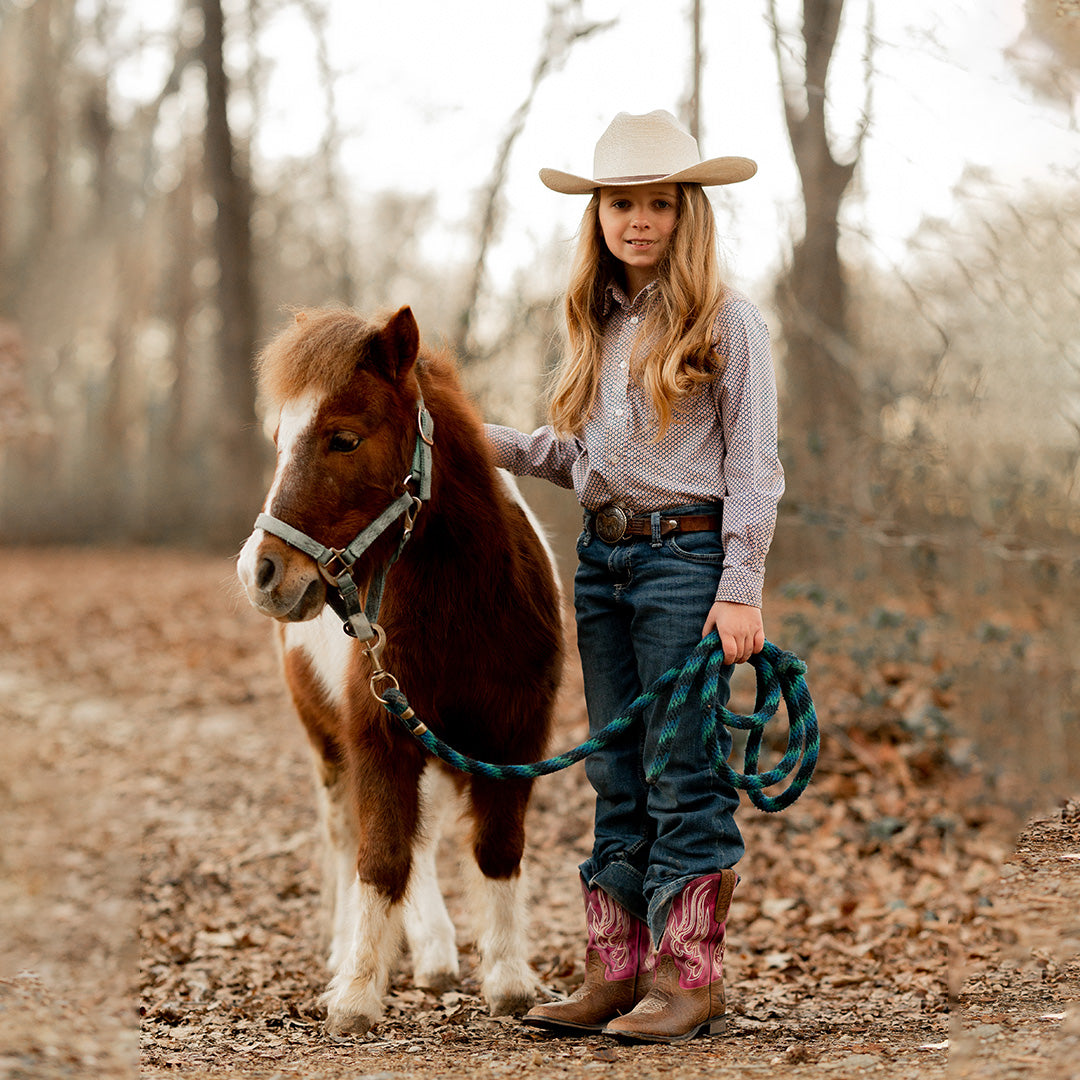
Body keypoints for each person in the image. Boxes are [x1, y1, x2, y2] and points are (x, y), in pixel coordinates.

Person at [483, 109, 784, 1043]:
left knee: (680, 766)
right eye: (622, 203)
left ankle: (687, 976)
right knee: (617, 768)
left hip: (686, 562)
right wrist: (466, 435)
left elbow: (754, 466)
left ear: (685, 211)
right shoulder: (599, 319)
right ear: (600, 215)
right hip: (603, 560)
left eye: (658, 202)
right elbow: (579, 459)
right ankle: (613, 971)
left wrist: (740, 584)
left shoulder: (727, 321)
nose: (638, 219)